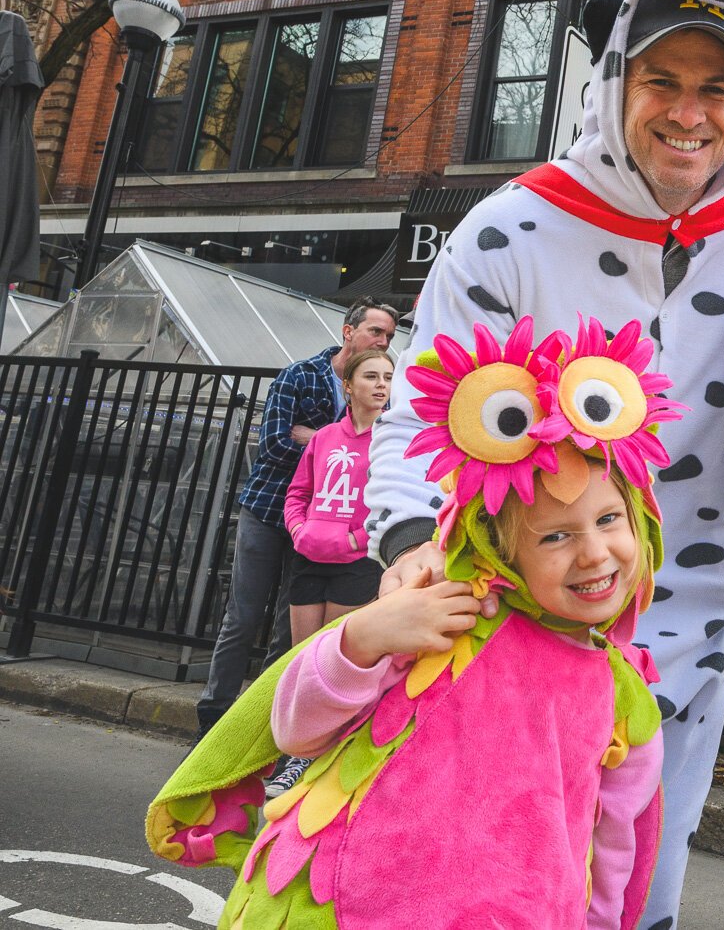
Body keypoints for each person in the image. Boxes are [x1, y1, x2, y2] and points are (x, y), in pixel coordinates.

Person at [362, 0, 724, 924]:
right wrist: (404, 545)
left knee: (643, 880)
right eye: (662, 81)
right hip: (513, 635)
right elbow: (419, 411)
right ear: (614, 80)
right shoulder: (513, 223)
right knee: (501, 879)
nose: (688, 113)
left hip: (689, 636)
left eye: (717, 88)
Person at [148, 314, 675, 928]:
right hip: (350, 905)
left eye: (611, 520)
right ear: (498, 549)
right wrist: (364, 637)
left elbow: (616, 844)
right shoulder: (448, 613)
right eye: (555, 535)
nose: (592, 553)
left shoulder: (626, 695)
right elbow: (296, 728)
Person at [195, 298, 396, 735]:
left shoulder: (375, 415)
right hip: (271, 511)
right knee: (243, 616)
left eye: (388, 337)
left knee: (290, 633)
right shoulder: (300, 375)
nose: (383, 341)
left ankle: (269, 723)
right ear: (349, 331)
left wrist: (320, 438)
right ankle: (213, 718)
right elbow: (274, 443)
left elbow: (311, 440)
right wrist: (328, 442)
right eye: (376, 332)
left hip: (328, 533)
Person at [262, 348, 394, 799]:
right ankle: (293, 756)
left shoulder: (390, 440)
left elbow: (391, 504)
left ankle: (322, 761)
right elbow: (298, 492)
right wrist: (300, 530)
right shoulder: (323, 439)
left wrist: (356, 539)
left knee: (335, 661)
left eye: (388, 378)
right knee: (302, 658)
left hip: (356, 564)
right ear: (348, 386)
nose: (381, 385)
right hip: (310, 559)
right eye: (371, 376)